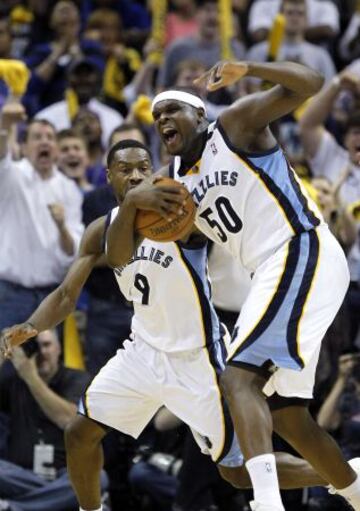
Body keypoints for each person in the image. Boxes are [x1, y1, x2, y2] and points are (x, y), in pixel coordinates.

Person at [1, 139, 327, 511]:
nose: (137, 175)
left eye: (144, 166)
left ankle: (341, 474)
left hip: (197, 358)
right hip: (142, 352)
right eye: (126, 169)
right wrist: (30, 325)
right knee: (80, 432)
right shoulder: (100, 230)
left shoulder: (178, 210)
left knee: (237, 472)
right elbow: (64, 297)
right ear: (109, 177)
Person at [137, 60, 360, 511]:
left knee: (239, 379)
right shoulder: (177, 186)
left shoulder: (234, 126)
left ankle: (268, 503)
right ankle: (356, 490)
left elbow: (312, 84)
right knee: (287, 417)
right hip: (275, 270)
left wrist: (250, 67)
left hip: (300, 247)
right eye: (157, 115)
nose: (162, 118)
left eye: (173, 109)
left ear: (200, 115)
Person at [0, 101, 84, 332]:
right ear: (25, 147)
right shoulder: (11, 175)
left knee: (51, 365)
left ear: (56, 148)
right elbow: (1, 155)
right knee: (6, 366)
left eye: (49, 137)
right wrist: (5, 124)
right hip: (10, 294)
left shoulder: (69, 189)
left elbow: (72, 251)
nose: (45, 141)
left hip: (52, 295)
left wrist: (61, 228)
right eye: (37, 137)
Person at [0, 328, 96, 511]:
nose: (41, 352)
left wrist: (30, 376)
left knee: (96, 476)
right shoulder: (14, 382)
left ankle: (15, 508)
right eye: (35, 346)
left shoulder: (78, 379)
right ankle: (51, 499)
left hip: (65, 477)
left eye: (47, 345)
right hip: (22, 478)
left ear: (59, 348)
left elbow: (69, 421)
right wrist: (2, 351)